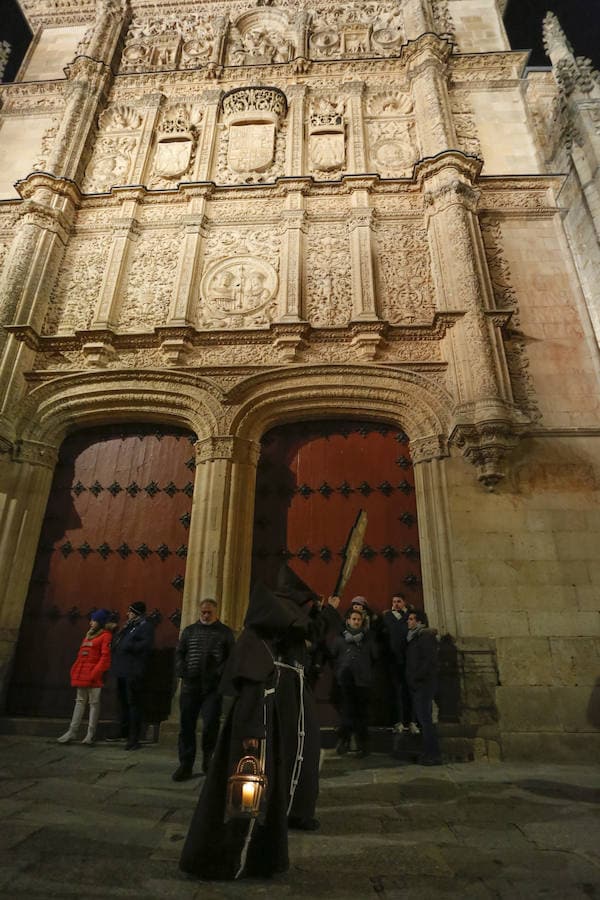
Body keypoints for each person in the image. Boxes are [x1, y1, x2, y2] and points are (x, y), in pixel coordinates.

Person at [180, 581, 311, 880]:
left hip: (262, 728)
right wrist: (254, 734)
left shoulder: (266, 643)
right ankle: (233, 857)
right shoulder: (253, 644)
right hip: (250, 732)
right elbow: (251, 696)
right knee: (243, 798)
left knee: (259, 798)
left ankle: (259, 857)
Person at [172, 598, 234, 782]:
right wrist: (182, 669)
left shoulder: (225, 633)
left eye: (209, 612)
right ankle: (185, 764)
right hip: (190, 686)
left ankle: (209, 761)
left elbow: (231, 658)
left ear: (216, 612)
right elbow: (180, 653)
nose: (206, 615)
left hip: (212, 688)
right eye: (203, 612)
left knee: (210, 726)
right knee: (186, 726)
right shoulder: (190, 631)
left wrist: (218, 672)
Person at [57, 609, 115, 745]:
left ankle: (90, 733)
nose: (91, 623)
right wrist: (75, 669)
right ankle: (72, 731)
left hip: (94, 675)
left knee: (94, 703)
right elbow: (81, 654)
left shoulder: (106, 636)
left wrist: (95, 672)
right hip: (82, 673)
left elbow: (105, 657)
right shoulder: (89, 635)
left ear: (100, 622)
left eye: (94, 620)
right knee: (79, 701)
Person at [330, 607, 378, 758]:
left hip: (363, 681)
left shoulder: (368, 639)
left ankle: (363, 745)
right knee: (347, 713)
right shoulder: (339, 640)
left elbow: (375, 656)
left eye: (359, 620)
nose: (356, 622)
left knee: (362, 715)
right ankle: (344, 740)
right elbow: (333, 656)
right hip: (345, 682)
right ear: (348, 621)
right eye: (354, 619)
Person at [110, 601, 154, 751]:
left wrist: (128, 646)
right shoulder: (129, 626)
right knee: (123, 702)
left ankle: (133, 738)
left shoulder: (145, 626)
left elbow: (146, 645)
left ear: (136, 613)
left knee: (133, 703)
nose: (127, 614)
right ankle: (123, 731)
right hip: (122, 670)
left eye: (130, 611)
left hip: (133, 671)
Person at [406, 609, 441, 765]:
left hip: (424, 684)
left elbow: (428, 661)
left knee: (425, 720)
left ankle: (432, 754)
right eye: (409, 618)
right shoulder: (415, 637)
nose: (409, 621)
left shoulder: (425, 637)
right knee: (423, 719)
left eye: (412, 619)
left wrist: (416, 677)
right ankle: (428, 752)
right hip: (419, 684)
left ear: (420, 622)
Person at [381, 593, 416, 733]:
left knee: (411, 690)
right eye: (394, 601)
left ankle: (413, 721)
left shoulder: (411, 617)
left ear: (404, 603)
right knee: (397, 691)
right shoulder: (387, 617)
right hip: (394, 660)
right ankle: (399, 721)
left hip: (409, 660)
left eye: (399, 601)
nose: (396, 604)